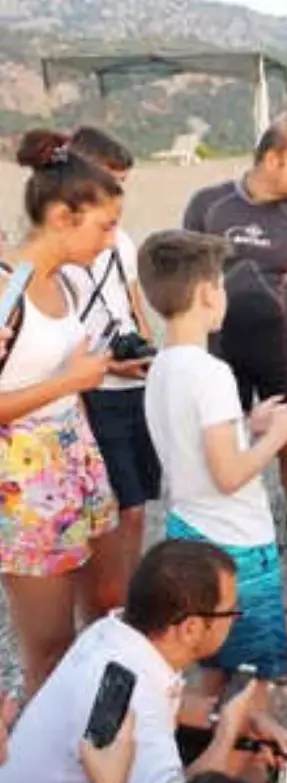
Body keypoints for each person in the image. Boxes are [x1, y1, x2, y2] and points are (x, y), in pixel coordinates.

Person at [140, 230, 287, 688]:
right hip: (235, 539)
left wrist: (247, 426)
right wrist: (278, 435)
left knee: (212, 655)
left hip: (188, 529)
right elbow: (230, 475)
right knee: (257, 673)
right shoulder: (211, 373)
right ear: (207, 293)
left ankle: (207, 739)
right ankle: (245, 751)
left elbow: (190, 443)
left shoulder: (162, 365)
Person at [0, 540, 287, 783]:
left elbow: (169, 697)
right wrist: (228, 735)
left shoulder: (112, 634)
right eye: (232, 611)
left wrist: (227, 715)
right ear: (191, 628)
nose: (235, 619)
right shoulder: (138, 707)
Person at [0, 129, 121, 696]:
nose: (111, 239)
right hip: (25, 484)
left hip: (75, 457)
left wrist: (107, 371)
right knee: (47, 647)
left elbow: (46, 368)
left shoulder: (67, 281)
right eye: (104, 225)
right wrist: (70, 381)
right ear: (61, 217)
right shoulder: (7, 288)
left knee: (98, 616)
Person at [183, 120, 287, 551]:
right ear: (271, 159)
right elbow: (185, 281)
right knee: (219, 441)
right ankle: (221, 535)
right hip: (219, 347)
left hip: (279, 348)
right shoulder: (209, 204)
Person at [62, 126, 161, 615]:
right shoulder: (59, 249)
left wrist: (149, 352)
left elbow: (132, 300)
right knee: (119, 507)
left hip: (131, 381)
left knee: (139, 503)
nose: (118, 192)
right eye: (112, 180)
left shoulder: (120, 239)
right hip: (92, 388)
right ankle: (112, 608)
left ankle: (126, 597)